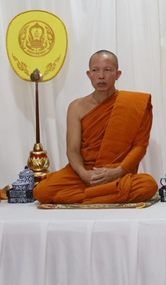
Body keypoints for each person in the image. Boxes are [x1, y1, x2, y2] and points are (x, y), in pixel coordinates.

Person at [33, 50, 158, 204]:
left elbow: (140, 146)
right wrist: (83, 174)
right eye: (95, 70)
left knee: (147, 185)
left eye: (108, 70)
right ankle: (103, 195)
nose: (101, 76)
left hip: (117, 173)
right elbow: (72, 150)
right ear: (89, 74)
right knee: (42, 191)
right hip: (85, 172)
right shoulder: (76, 107)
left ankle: (86, 196)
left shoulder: (135, 104)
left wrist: (117, 172)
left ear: (118, 74)